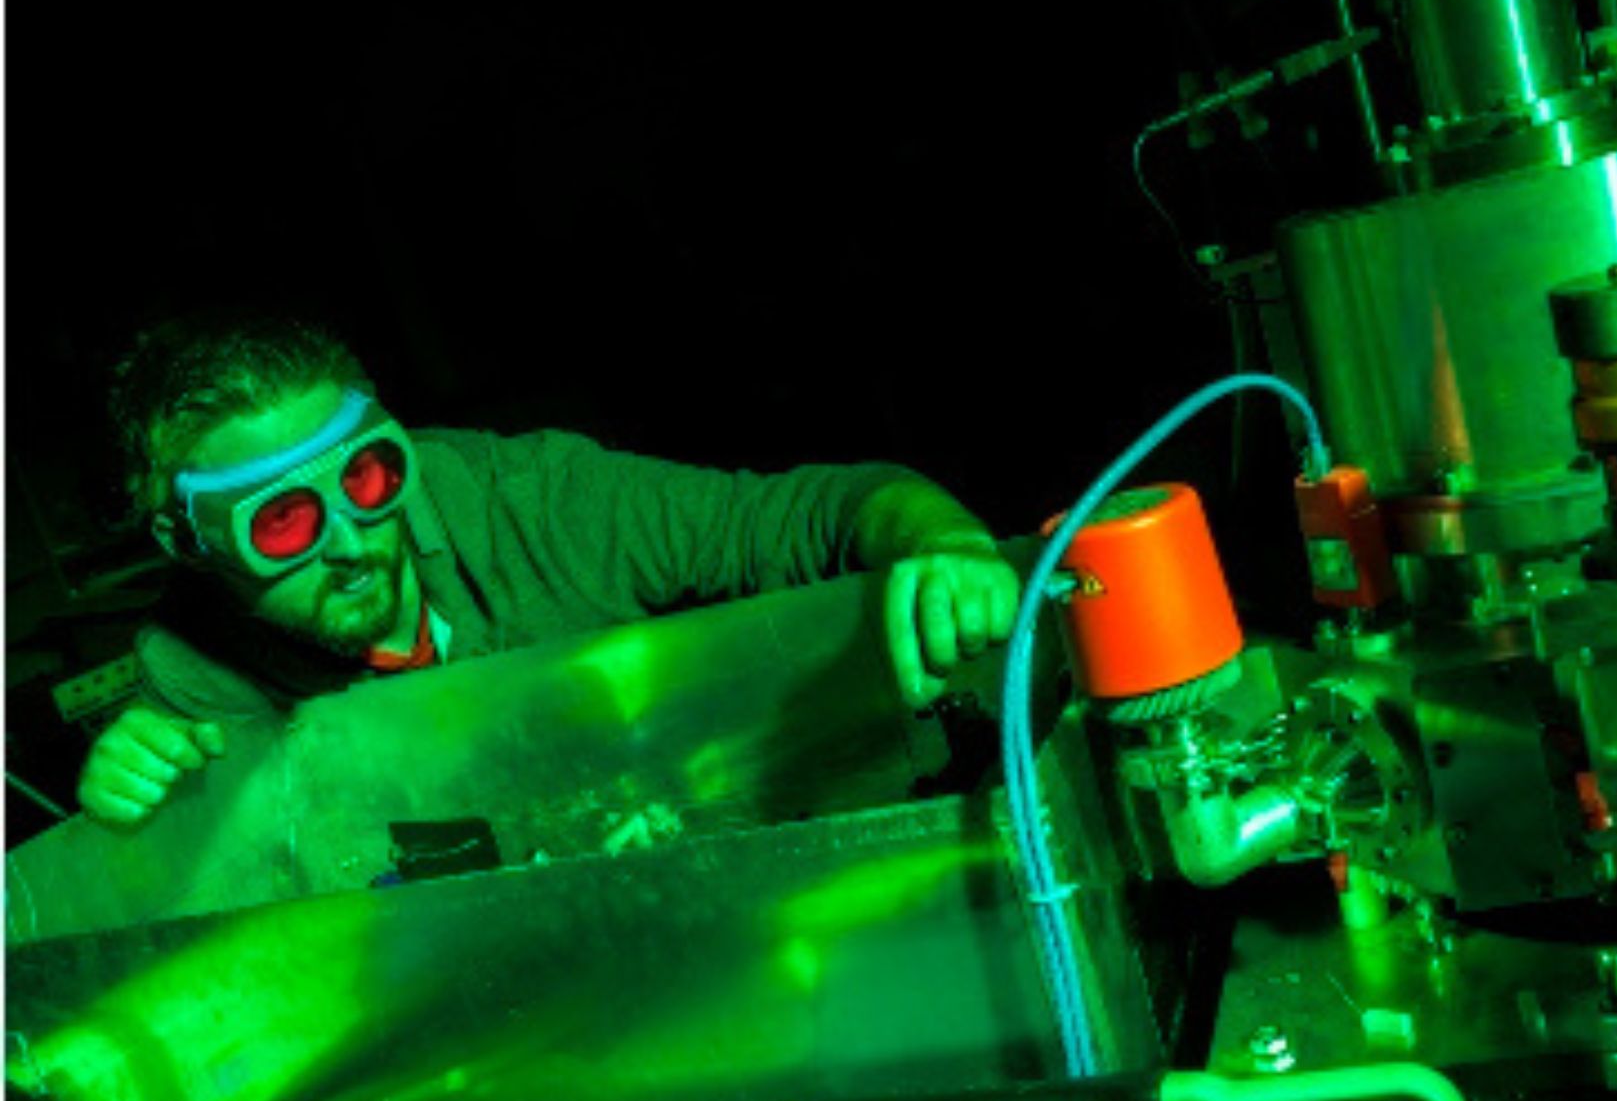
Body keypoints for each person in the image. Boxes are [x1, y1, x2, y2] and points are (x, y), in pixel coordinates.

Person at [78, 312, 1022, 825]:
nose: (352, 539)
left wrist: (947, 546)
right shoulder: (191, 675)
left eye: (370, 475)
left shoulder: (538, 501)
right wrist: (135, 792)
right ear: (186, 543)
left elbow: (825, 510)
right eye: (283, 521)